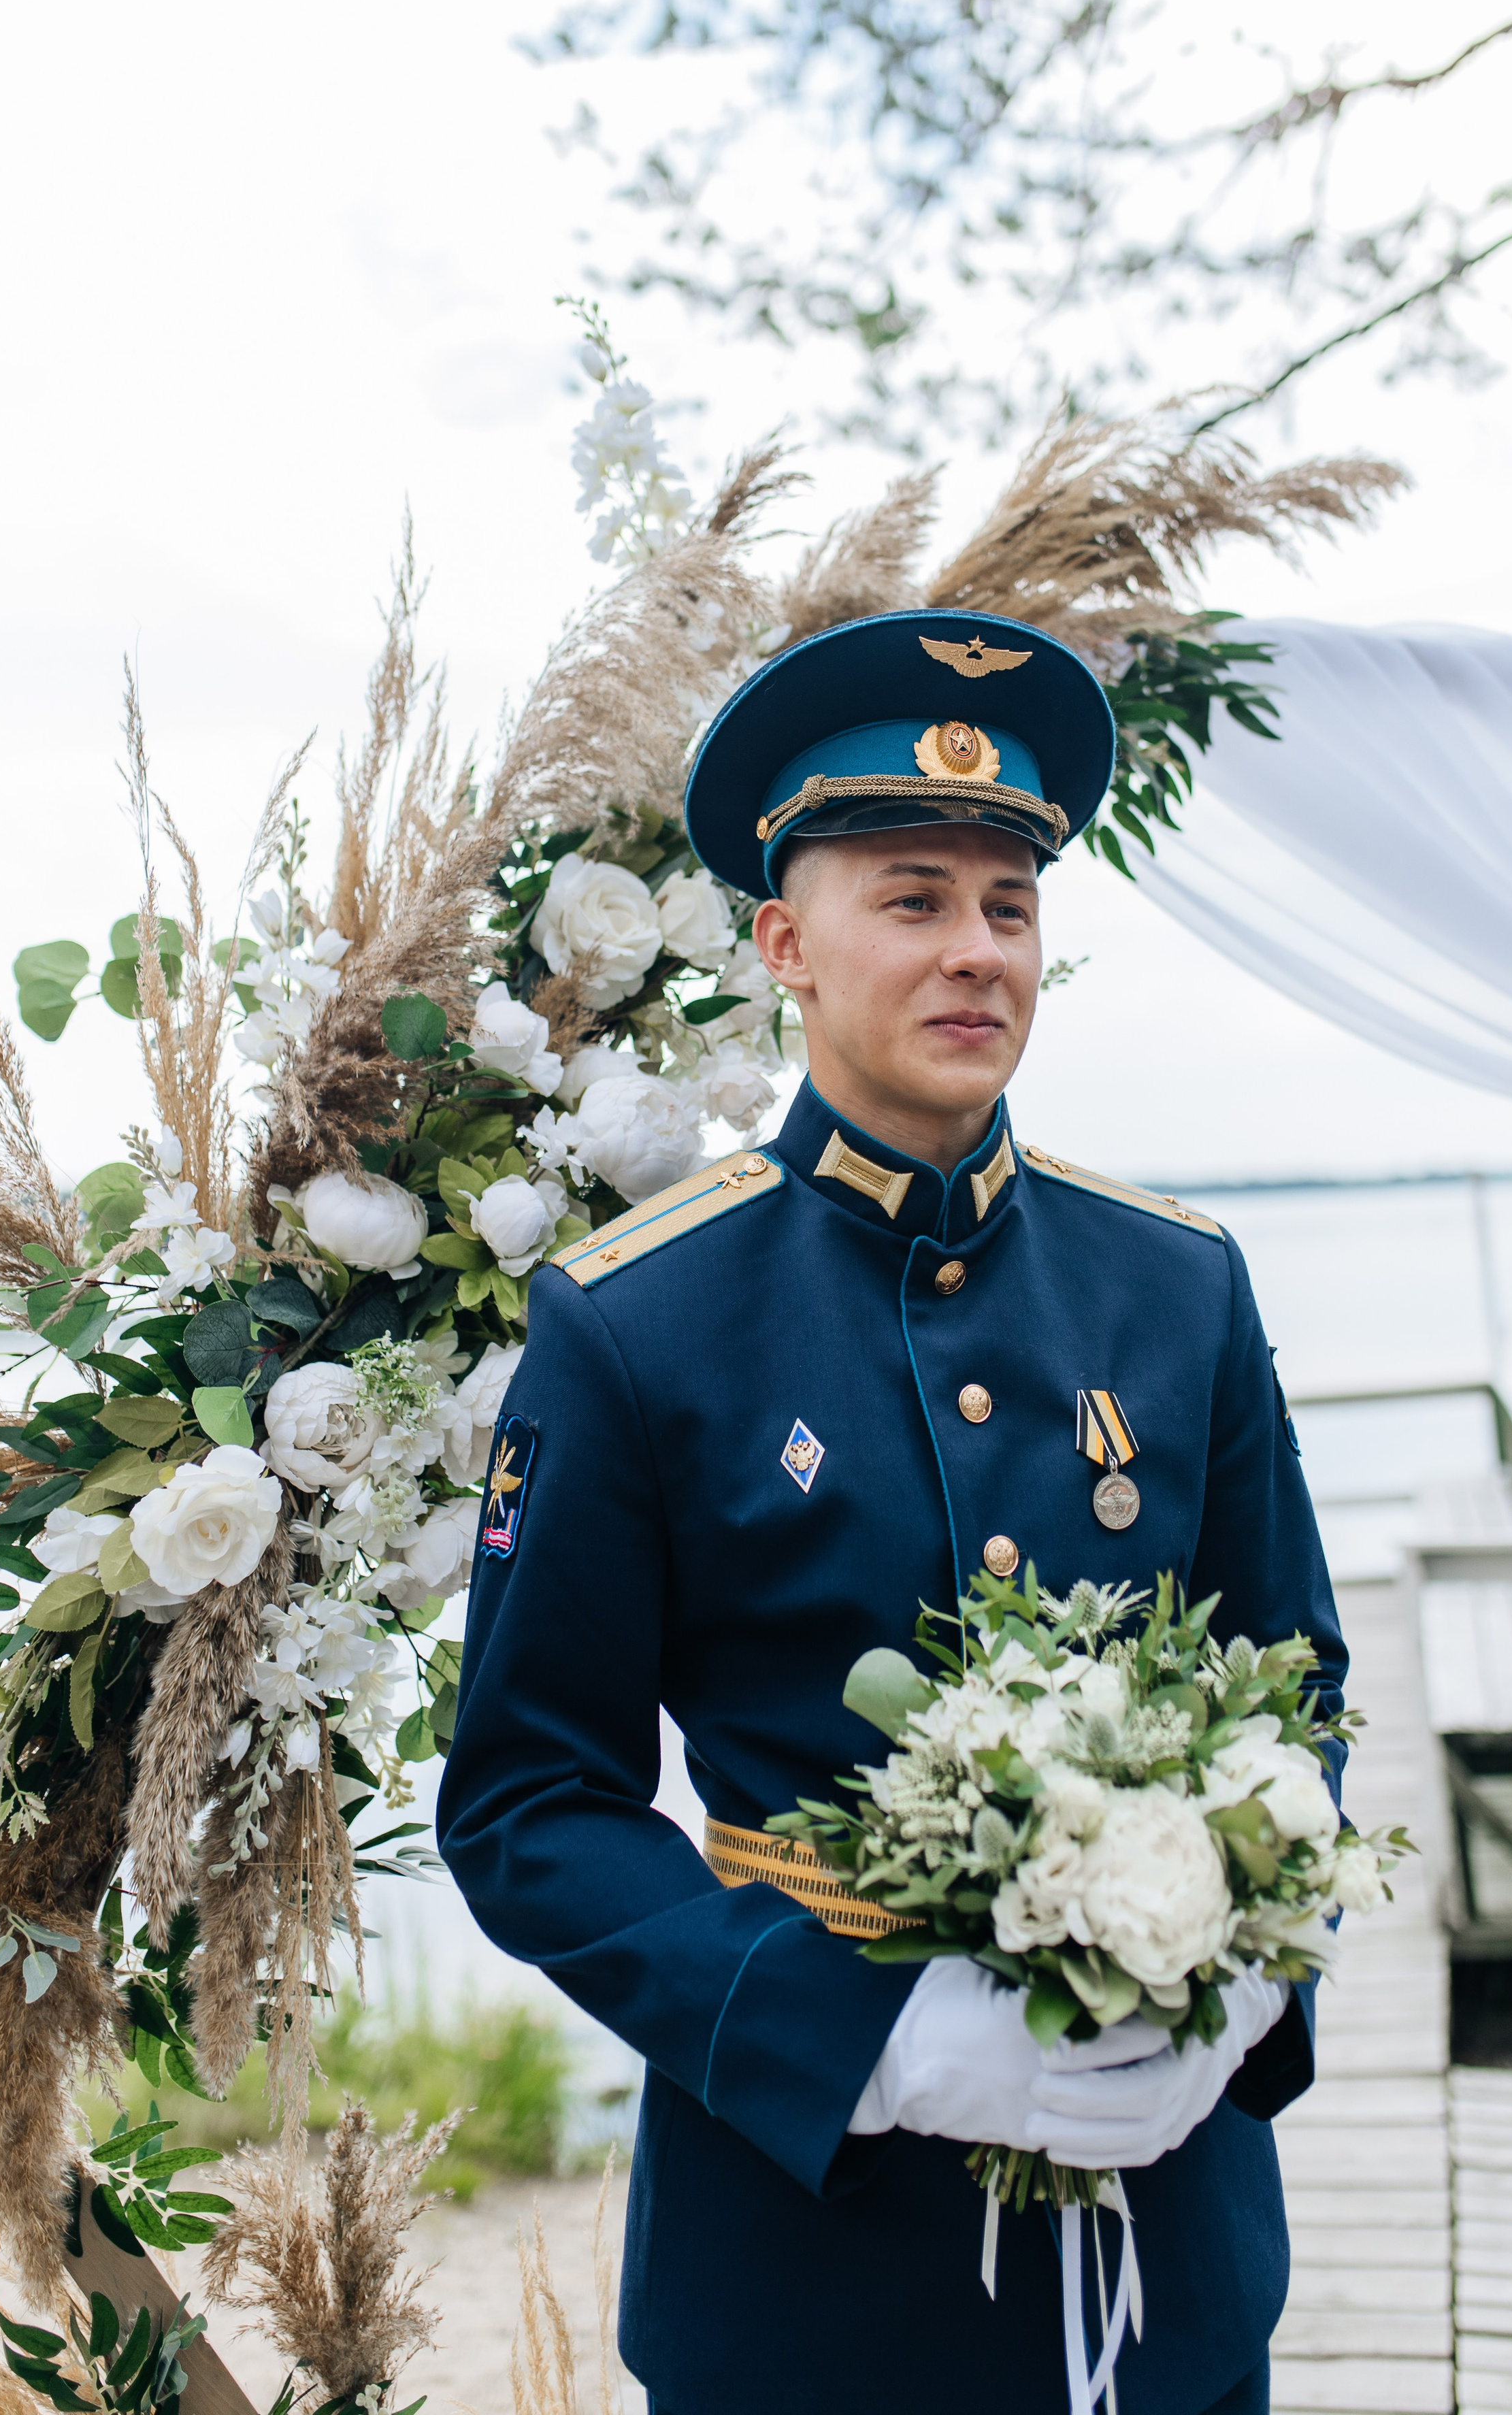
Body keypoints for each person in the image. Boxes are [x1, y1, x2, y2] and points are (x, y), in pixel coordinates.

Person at [438, 609, 1349, 2415]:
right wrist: (880, 2043)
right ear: (784, 943)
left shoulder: (1176, 1285)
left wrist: (1253, 1975)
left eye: (1010, 907)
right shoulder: (638, 1320)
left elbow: (1297, 1676)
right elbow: (530, 1803)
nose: (976, 951)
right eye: (914, 900)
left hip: (1172, 2254)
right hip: (810, 2269)